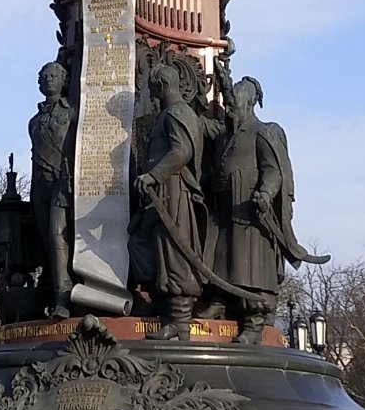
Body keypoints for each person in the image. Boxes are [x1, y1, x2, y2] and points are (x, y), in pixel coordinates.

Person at [208, 77, 326, 344]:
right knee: (220, 256)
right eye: (228, 102)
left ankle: (254, 322)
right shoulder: (226, 136)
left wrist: (265, 193)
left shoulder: (262, 132)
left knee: (251, 266)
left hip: (250, 211)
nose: (230, 106)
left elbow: (274, 171)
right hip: (225, 209)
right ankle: (222, 302)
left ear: (249, 103)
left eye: (235, 102)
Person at [128, 65, 208, 340]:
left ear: (162, 86)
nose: (151, 94)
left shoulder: (177, 113)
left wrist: (153, 175)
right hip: (160, 192)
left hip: (173, 191)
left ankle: (179, 319)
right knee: (139, 242)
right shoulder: (171, 113)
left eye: (152, 89)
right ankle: (161, 302)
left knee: (173, 251)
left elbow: (181, 151)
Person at [28, 62, 76, 318]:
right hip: (40, 187)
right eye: (44, 76)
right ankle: (49, 293)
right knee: (45, 242)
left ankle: (64, 299)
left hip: (62, 182)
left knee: (58, 238)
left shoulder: (72, 114)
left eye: (53, 76)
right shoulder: (33, 121)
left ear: (64, 80)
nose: (48, 80)